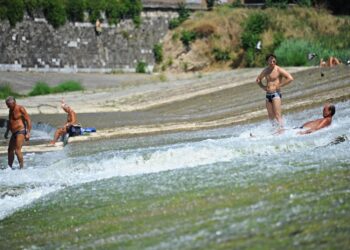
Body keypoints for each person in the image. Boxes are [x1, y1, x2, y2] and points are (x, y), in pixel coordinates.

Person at [256, 54, 294, 128]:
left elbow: (290, 78)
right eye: (271, 60)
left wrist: (280, 85)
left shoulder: (278, 69)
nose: (272, 62)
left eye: (274, 60)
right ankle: (274, 130)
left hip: (276, 94)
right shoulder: (266, 70)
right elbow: (258, 80)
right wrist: (263, 87)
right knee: (270, 116)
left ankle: (282, 130)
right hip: (268, 95)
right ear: (267, 61)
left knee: (277, 115)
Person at [4, 96, 31, 169]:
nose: (8, 107)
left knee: (17, 150)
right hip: (14, 133)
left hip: (21, 131)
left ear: (14, 103)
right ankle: (9, 167)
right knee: (10, 150)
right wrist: (7, 132)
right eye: (7, 105)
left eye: (9, 105)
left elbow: (28, 120)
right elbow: (10, 122)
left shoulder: (20, 108)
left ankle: (22, 168)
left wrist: (28, 132)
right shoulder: (10, 110)